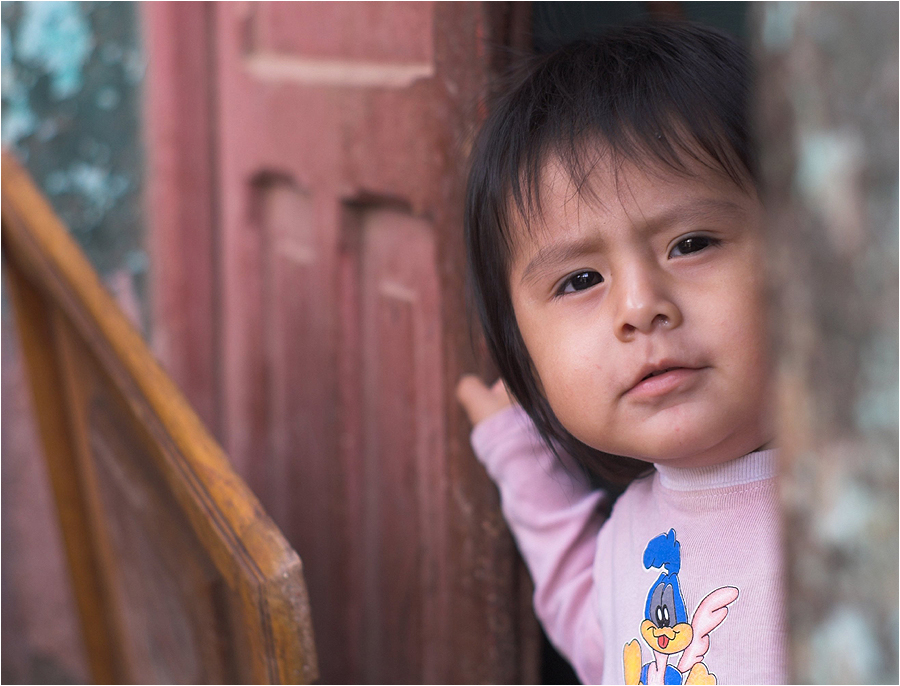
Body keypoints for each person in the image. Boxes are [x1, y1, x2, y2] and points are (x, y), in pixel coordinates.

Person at [456, 23, 786, 685]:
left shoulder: (860, 508)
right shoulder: (633, 535)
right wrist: (522, 460)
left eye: (691, 243)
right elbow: (598, 634)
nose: (640, 307)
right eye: (580, 281)